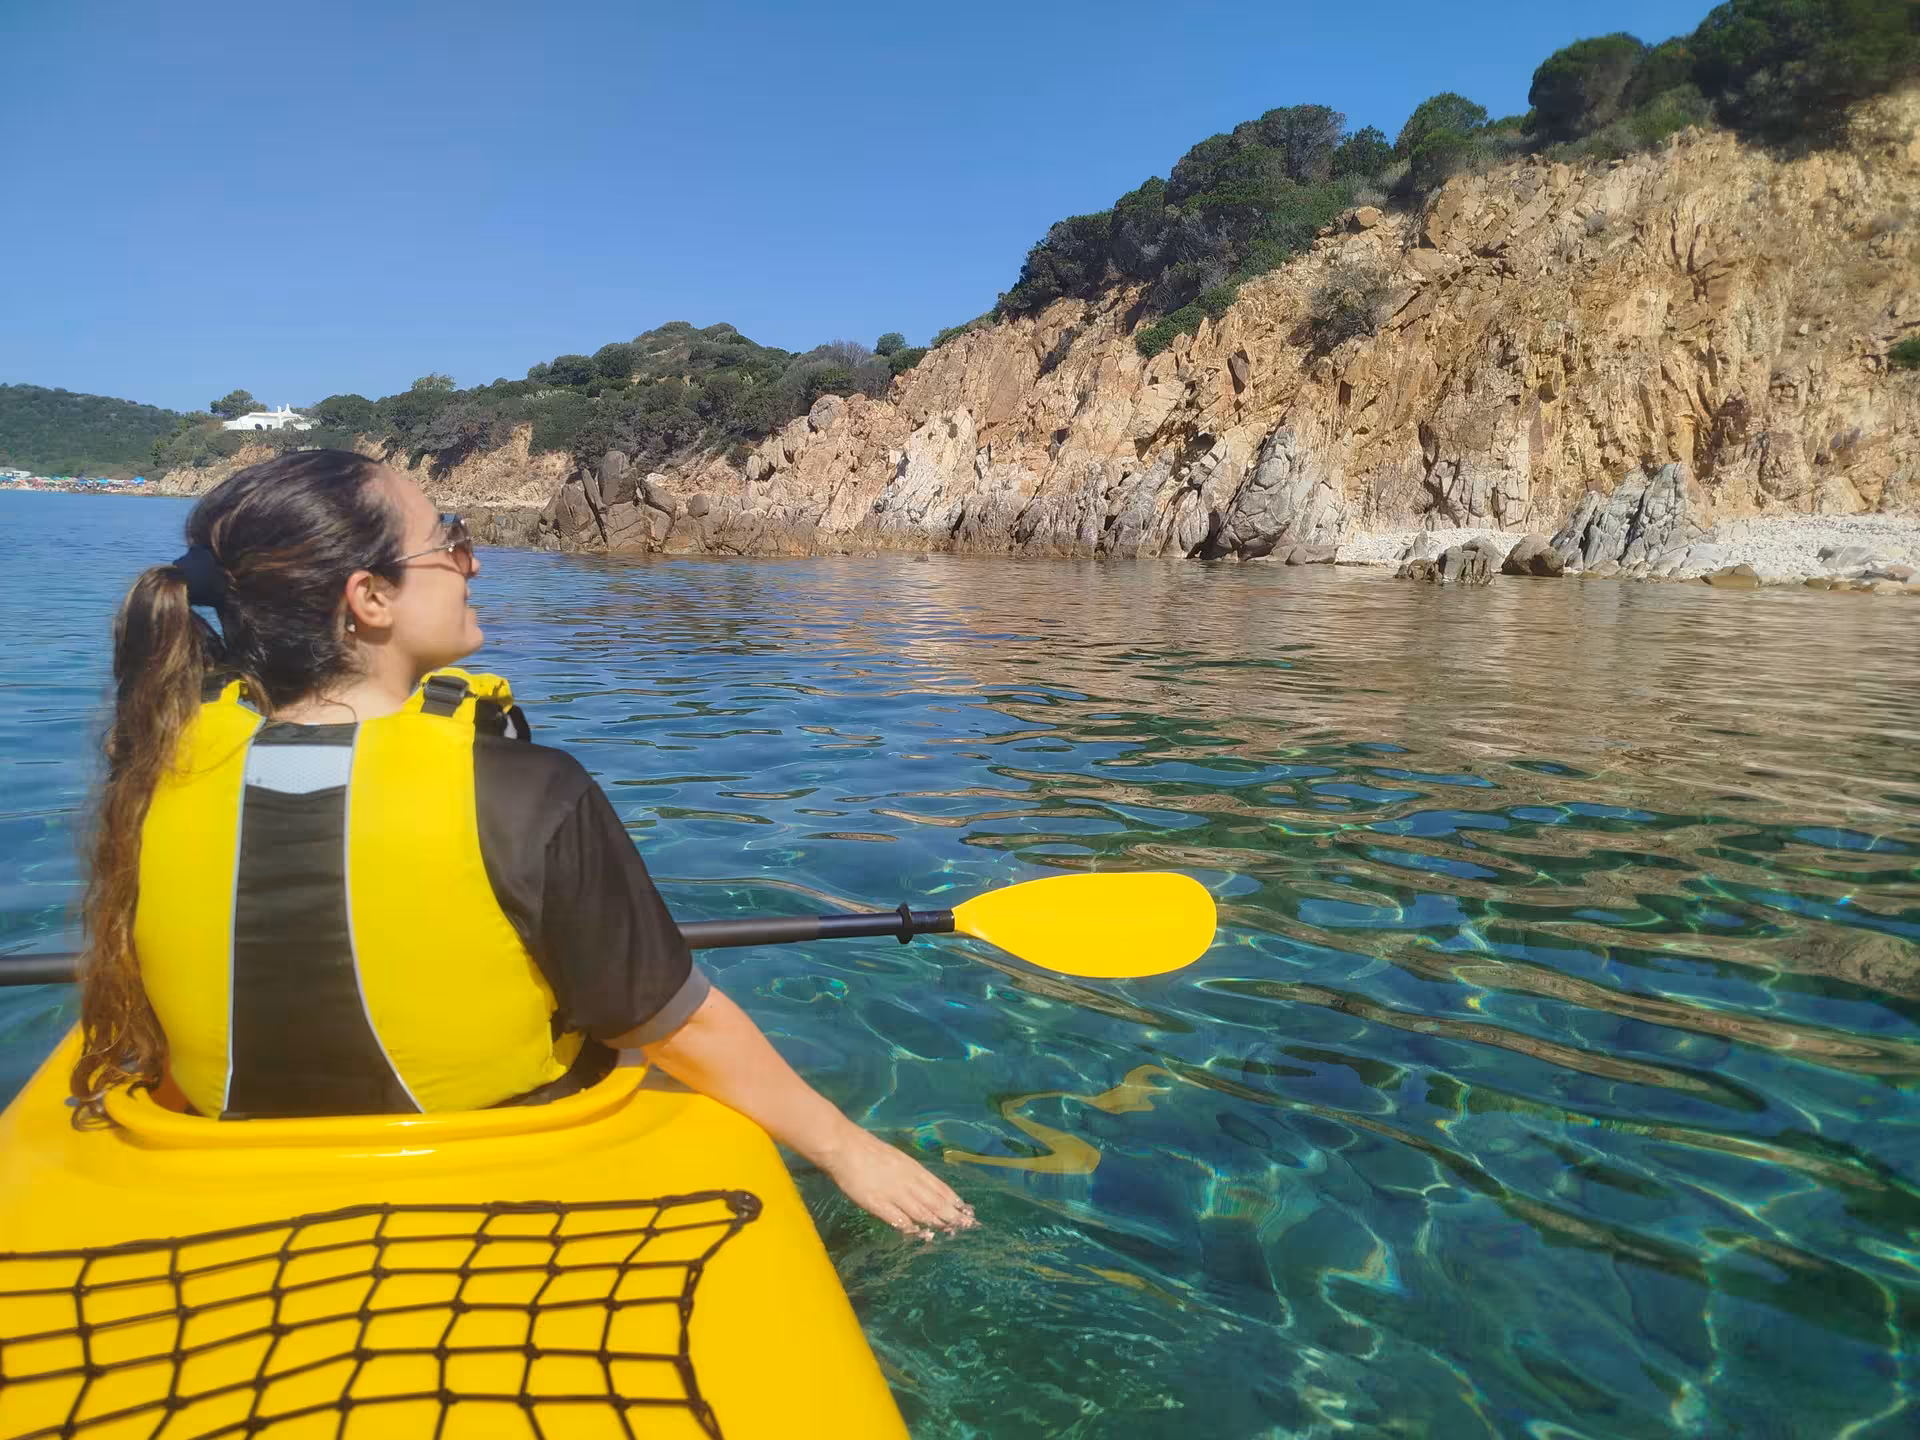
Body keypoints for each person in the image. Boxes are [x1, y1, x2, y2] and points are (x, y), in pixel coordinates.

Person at [74, 449, 974, 1241]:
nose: (474, 561)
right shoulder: (522, 789)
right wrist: (849, 1149)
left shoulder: (155, 767)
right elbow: (669, 1020)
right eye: (450, 540)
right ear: (371, 598)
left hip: (227, 1181)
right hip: (497, 1172)